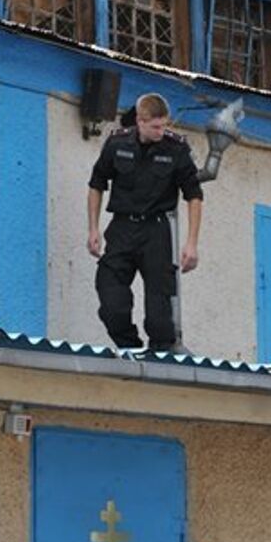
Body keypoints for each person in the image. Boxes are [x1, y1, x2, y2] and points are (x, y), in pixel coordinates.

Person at [86, 92, 203, 352]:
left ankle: (160, 357)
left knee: (160, 316)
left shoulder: (176, 149)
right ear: (140, 121)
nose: (162, 131)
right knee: (111, 302)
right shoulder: (117, 144)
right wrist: (93, 228)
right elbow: (96, 184)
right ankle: (131, 348)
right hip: (122, 228)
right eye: (155, 126)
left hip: (156, 231)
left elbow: (194, 196)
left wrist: (191, 244)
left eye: (165, 125)